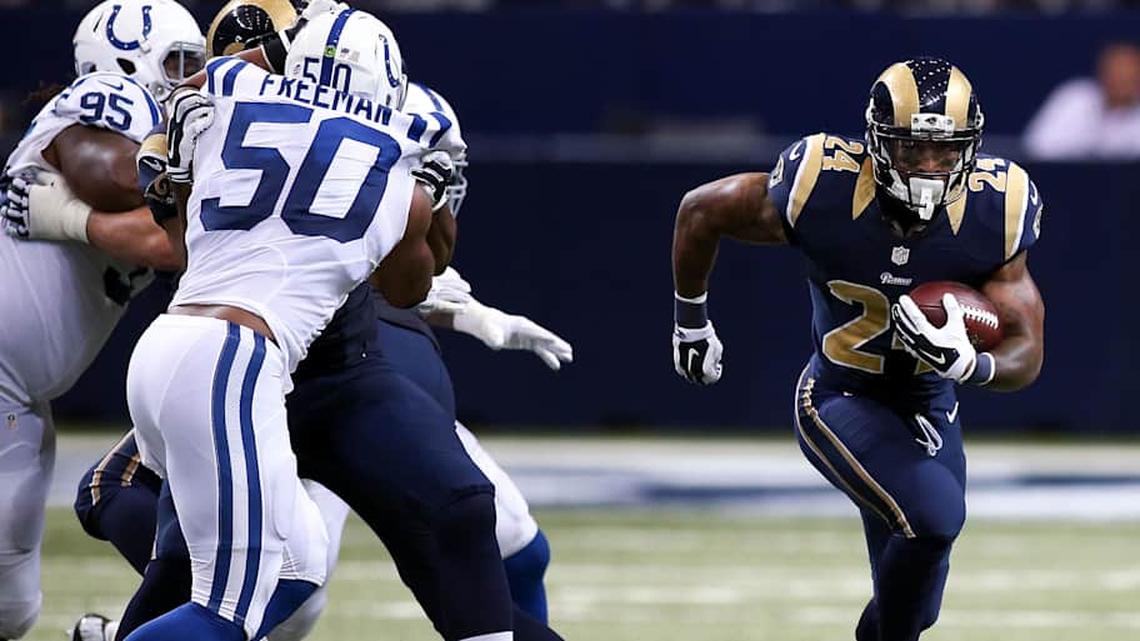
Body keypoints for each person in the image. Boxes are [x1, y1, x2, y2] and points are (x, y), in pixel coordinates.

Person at [671, 57, 1045, 641]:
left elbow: (1028, 348)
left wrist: (973, 364)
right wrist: (691, 321)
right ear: (875, 142)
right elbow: (701, 210)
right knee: (934, 520)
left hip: (929, 401)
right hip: (839, 394)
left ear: (970, 147)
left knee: (916, 606)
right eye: (910, 148)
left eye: (945, 150)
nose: (928, 165)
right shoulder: (822, 182)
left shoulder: (998, 207)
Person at [0, 2, 203, 637]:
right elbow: (113, 175)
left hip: (21, 396)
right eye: (177, 63)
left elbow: (172, 242)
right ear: (125, 63)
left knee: (13, 611)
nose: (191, 78)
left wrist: (70, 220)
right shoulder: (105, 99)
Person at [1024, 42, 1140, 160]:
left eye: (1129, 75)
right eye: (1117, 73)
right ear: (1102, 72)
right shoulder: (1075, 97)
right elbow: (1037, 148)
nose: (1121, 81)